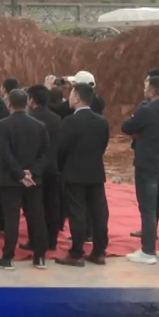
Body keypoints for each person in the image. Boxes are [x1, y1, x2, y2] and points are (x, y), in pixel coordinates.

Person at [120, 75, 159, 265]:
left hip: (148, 162)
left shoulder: (147, 110)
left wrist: (139, 132)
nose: (144, 89)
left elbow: (126, 127)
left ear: (152, 90)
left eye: (146, 86)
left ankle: (148, 251)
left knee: (148, 208)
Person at [0, 89, 51, 271]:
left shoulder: (3, 125)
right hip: (33, 180)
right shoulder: (40, 125)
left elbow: (5, 154)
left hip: (10, 179)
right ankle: (40, 257)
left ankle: (8, 257)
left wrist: (20, 174)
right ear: (27, 103)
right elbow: (46, 153)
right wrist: (31, 172)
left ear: (9, 103)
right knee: (36, 217)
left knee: (12, 218)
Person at [53, 84, 110, 266]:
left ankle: (77, 252)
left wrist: (61, 168)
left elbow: (61, 149)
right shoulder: (102, 122)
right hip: (96, 172)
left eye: (71, 94)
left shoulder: (70, 121)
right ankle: (99, 251)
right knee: (99, 212)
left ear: (77, 98)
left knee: (77, 213)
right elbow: (102, 146)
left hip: (74, 173)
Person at [25, 84, 64, 251]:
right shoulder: (57, 119)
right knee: (52, 204)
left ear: (31, 99)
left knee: (34, 207)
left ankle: (36, 241)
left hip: (34, 168)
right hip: (53, 167)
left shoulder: (29, 119)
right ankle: (52, 240)